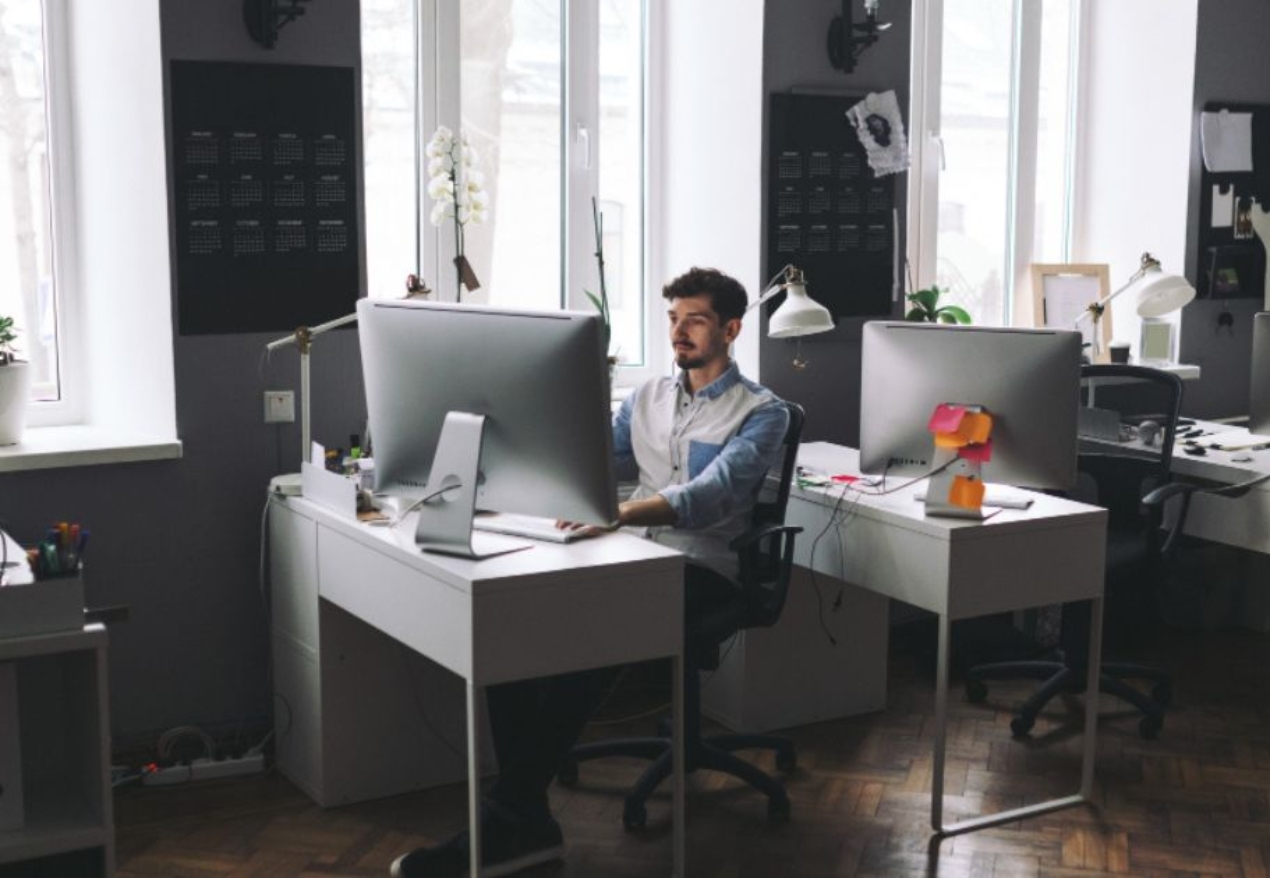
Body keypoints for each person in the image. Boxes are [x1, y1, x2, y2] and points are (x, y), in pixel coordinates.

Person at [391, 267, 791, 878]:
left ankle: (510, 824)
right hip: (630, 553)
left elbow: (715, 496)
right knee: (513, 630)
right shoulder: (646, 398)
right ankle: (521, 818)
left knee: (596, 638)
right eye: (673, 319)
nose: (680, 332)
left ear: (732, 329)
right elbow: (590, 457)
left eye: (696, 320)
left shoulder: (762, 412)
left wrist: (617, 511)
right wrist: (523, 465)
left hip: (704, 565)